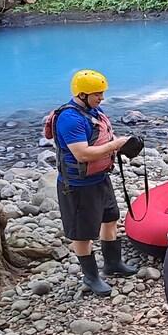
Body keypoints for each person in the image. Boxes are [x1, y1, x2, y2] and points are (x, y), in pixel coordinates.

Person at [49, 69, 137, 297]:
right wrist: (117, 145)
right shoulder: (70, 119)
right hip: (78, 186)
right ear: (81, 94)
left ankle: (112, 263)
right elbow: (83, 154)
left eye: (102, 93)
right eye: (97, 94)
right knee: (82, 233)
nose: (101, 98)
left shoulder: (93, 111)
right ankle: (90, 276)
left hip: (100, 179)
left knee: (110, 218)